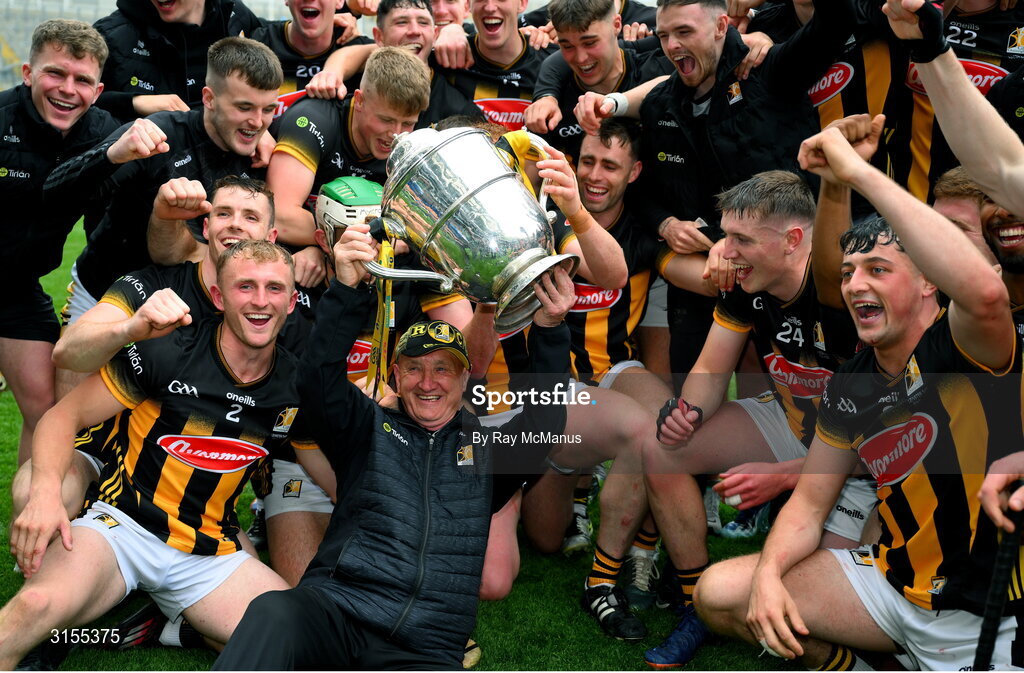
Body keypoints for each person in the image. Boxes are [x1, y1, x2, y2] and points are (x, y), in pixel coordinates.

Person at [693, 110, 1021, 672]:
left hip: (986, 609)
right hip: (893, 586)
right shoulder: (852, 380)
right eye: (848, 273)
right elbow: (809, 504)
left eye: (877, 269)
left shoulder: (964, 347)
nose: (854, 284)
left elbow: (987, 296)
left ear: (928, 282)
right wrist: (769, 576)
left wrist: (858, 174)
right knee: (721, 593)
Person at [212, 223, 575, 670]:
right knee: (274, 609)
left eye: (443, 369)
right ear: (396, 377)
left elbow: (546, 423)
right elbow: (317, 380)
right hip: (338, 613)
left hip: (425, 644)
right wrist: (348, 288)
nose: (428, 382)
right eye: (414, 369)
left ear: (465, 379)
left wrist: (551, 329)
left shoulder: (487, 453)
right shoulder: (366, 427)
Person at [0, 240, 304, 670]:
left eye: (274, 289)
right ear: (218, 296)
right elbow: (61, 417)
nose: (260, 301)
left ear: (292, 301)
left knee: (298, 644)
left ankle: (172, 625)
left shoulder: (297, 383)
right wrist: (47, 494)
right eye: (245, 287)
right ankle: (98, 624)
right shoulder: (169, 350)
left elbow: (324, 466)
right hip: (123, 529)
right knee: (33, 606)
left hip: (208, 552)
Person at [574, 0, 853, 387]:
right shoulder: (660, 103)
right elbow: (640, 189)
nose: (671, 45)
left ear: (722, 25)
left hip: (790, 276)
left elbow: (834, 22)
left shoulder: (768, 70)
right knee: (688, 402)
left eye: (684, 32)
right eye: (664, 35)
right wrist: (666, 223)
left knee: (806, 395)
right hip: (703, 280)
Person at [44, 36, 283, 399]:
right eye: (245, 107)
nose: (257, 121)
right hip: (105, 292)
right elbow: (55, 192)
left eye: (268, 110)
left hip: (184, 313)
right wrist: (112, 154)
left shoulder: (262, 148)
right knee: (68, 421)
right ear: (208, 98)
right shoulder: (160, 134)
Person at [0, 19, 118, 465]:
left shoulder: (106, 134)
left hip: (16, 289)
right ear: (28, 72)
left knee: (46, 412)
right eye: (56, 73)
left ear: (98, 90)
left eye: (82, 80)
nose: (68, 89)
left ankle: (29, 524)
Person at [267, 46, 429, 256]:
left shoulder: (411, 144)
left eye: (407, 123)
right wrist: (375, 241)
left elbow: (416, 234)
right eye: (386, 120)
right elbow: (280, 216)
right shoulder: (314, 120)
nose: (395, 134)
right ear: (360, 100)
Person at [523, 0, 672, 164]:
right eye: (567, 46)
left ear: (616, 25)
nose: (581, 58)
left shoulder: (656, 67)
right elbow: (533, 179)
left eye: (590, 43)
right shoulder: (552, 104)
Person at [303, 0, 484, 128]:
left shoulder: (459, 107)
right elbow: (354, 53)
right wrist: (331, 74)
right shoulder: (348, 89)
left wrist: (454, 29)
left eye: (422, 22)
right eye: (401, 22)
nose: (414, 31)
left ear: (435, 34)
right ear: (379, 36)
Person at [92, 0, 264, 122]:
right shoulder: (110, 35)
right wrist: (133, 102)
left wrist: (257, 131)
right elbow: (75, 104)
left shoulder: (235, 16)